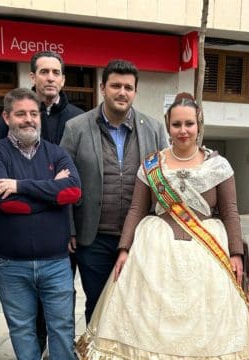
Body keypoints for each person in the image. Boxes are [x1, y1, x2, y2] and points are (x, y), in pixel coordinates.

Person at [77, 93, 249, 360]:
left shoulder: (218, 166)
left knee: (202, 318)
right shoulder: (152, 165)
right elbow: (137, 209)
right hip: (156, 246)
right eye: (177, 124)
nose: (183, 130)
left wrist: (235, 253)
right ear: (168, 126)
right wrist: (124, 249)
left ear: (199, 124)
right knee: (154, 319)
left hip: (207, 248)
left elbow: (230, 211)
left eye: (189, 123)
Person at [0, 88, 82, 360]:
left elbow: (72, 192)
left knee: (62, 325)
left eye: (33, 114)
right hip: (11, 262)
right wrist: (51, 194)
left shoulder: (56, 153)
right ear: (7, 117)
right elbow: (4, 203)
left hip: (56, 260)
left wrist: (20, 186)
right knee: (22, 325)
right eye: (21, 114)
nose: (28, 120)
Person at [60, 59, 166, 324]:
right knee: (98, 304)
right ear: (102, 88)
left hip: (139, 237)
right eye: (116, 86)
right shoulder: (76, 128)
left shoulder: (154, 129)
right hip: (93, 237)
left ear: (135, 92)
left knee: (136, 305)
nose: (122, 92)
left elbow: (165, 180)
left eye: (128, 87)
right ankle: (94, 351)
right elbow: (63, 182)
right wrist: (69, 228)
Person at [0, 50, 83, 360]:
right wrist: (48, 188)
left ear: (63, 79)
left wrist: (70, 226)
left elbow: (72, 183)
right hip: (26, 226)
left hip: (63, 228)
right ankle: (35, 353)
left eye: (55, 72)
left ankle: (62, 356)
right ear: (32, 76)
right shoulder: (16, 114)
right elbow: (4, 179)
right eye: (44, 71)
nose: (50, 77)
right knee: (28, 305)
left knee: (60, 297)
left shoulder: (76, 117)